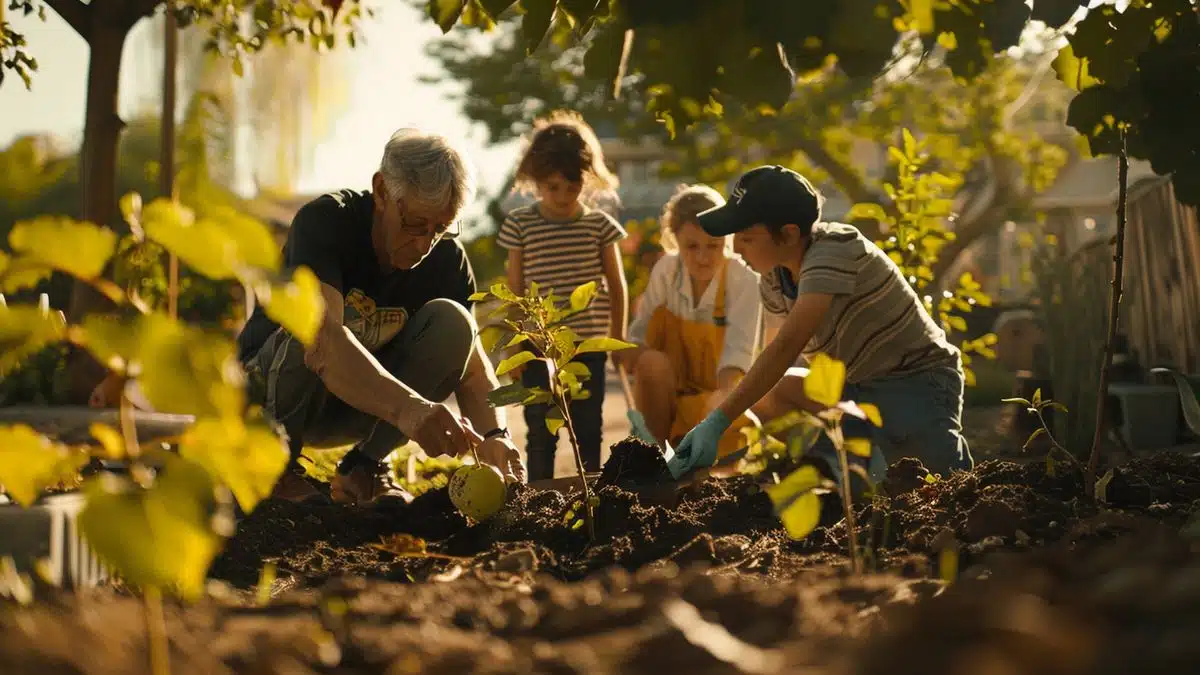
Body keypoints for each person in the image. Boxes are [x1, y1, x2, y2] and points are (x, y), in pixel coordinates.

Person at [234, 127, 525, 504]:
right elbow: (322, 345)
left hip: (355, 402)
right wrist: (410, 410)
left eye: (438, 229)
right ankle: (274, 470)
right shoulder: (325, 222)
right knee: (308, 328)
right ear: (383, 191)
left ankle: (364, 469)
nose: (424, 244)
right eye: (415, 225)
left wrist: (495, 439)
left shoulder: (445, 259)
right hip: (269, 391)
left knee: (455, 324)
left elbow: (472, 370)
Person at [666, 165, 974, 482]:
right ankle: (838, 473)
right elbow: (770, 361)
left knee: (941, 487)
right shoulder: (773, 278)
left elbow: (788, 345)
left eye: (746, 238)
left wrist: (717, 422)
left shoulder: (834, 249)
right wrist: (725, 434)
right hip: (854, 388)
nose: (736, 249)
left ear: (788, 234)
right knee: (772, 392)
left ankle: (884, 469)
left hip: (915, 381)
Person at [497, 110, 629, 482]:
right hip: (540, 346)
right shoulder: (520, 225)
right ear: (536, 180)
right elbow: (515, 290)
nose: (563, 197)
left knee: (589, 428)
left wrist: (617, 339)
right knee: (540, 430)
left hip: (587, 348)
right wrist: (514, 341)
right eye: (553, 187)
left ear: (586, 181)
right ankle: (540, 494)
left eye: (572, 188)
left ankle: (594, 494)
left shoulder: (600, 226)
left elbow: (617, 286)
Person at [618, 184, 763, 457]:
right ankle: (654, 458)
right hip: (667, 399)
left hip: (718, 398)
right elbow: (638, 340)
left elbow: (737, 357)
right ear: (674, 239)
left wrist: (716, 417)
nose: (703, 257)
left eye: (714, 245)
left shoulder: (743, 280)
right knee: (650, 361)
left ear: (727, 240)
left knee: (719, 463)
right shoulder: (666, 271)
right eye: (692, 246)